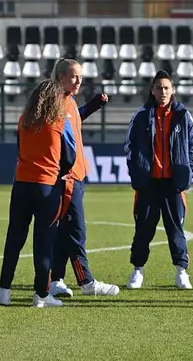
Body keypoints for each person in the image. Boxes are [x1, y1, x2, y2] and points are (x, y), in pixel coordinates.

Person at [0, 79, 77, 308]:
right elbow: (70, 157)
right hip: (47, 187)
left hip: (21, 185)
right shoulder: (61, 122)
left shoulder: (24, 121)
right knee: (43, 243)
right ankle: (40, 295)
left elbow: (20, 149)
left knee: (14, 239)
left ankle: (4, 292)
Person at [47, 58, 120, 298]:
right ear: (61, 78)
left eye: (80, 76)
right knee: (76, 230)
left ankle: (55, 279)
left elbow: (75, 118)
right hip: (67, 179)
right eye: (74, 76)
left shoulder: (68, 102)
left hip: (75, 176)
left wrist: (94, 105)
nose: (79, 80)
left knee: (63, 231)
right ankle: (86, 281)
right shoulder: (55, 104)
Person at [124, 70, 193, 290]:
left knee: (176, 229)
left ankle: (181, 271)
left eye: (167, 88)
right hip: (148, 184)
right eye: (159, 88)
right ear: (152, 90)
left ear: (173, 90)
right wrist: (136, 170)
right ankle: (137, 271)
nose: (163, 91)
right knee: (143, 230)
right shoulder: (141, 115)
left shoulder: (182, 115)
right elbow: (129, 146)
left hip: (173, 184)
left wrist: (188, 171)